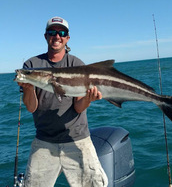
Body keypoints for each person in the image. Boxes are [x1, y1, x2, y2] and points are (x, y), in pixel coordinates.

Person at [18, 16, 108, 187]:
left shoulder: (76, 64)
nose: (57, 36)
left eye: (62, 32)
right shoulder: (31, 65)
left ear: (67, 38)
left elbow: (78, 107)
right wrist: (29, 87)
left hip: (77, 138)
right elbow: (31, 107)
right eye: (52, 32)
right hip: (44, 140)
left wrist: (88, 99)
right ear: (46, 36)